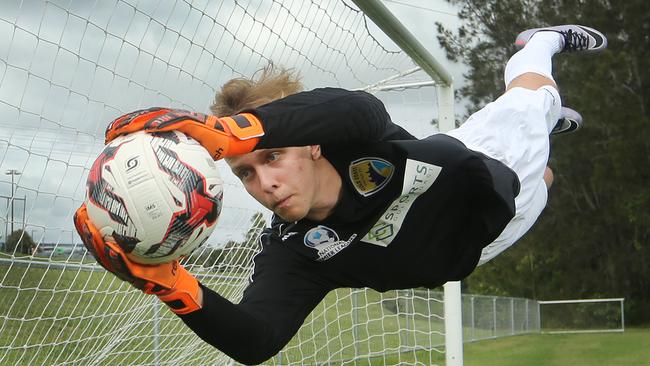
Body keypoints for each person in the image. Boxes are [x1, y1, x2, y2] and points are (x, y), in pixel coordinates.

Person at [74, 25, 607, 365]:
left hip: (478, 166)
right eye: (244, 173)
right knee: (544, 183)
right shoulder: (294, 252)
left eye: (271, 157)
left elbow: (358, 107)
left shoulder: (353, 134)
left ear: (307, 144)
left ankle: (541, 43)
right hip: (477, 245)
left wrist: (233, 132)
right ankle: (546, 136)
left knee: (531, 94)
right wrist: (172, 286)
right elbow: (257, 340)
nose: (265, 184)